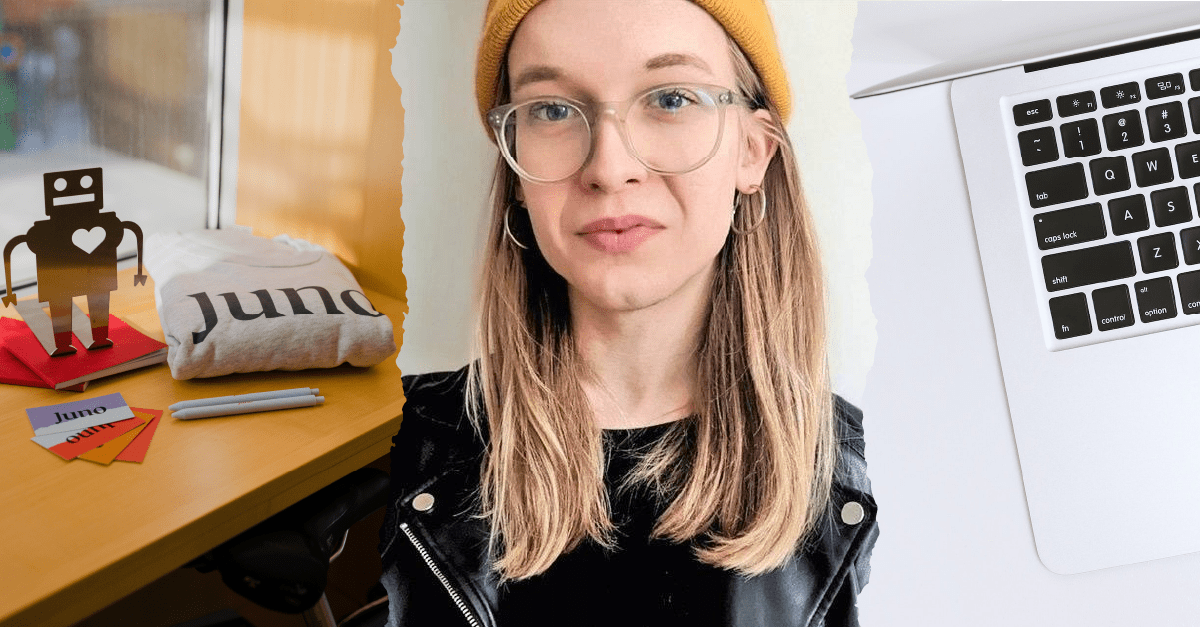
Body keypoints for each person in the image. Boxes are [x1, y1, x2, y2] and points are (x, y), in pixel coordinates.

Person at [378, 0, 878, 625]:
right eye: (553, 110)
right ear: (515, 167)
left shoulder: (850, 471)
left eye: (670, 99)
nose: (610, 169)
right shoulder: (400, 455)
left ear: (753, 151)